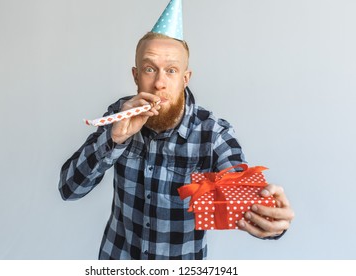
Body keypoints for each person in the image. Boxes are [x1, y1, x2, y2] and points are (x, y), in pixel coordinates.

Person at [58, 0, 294, 260]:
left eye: (171, 71)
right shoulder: (119, 114)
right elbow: (69, 189)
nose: (159, 83)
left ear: (185, 78)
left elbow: (246, 194)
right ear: (136, 76)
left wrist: (272, 218)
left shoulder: (213, 133)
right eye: (150, 69)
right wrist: (115, 140)